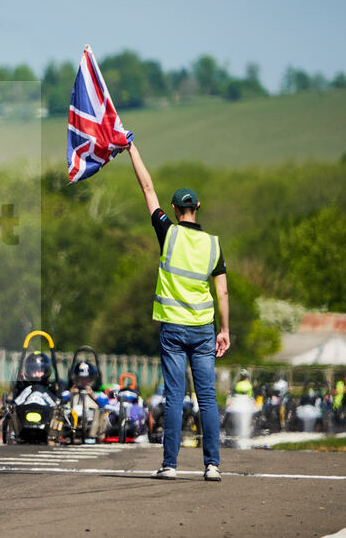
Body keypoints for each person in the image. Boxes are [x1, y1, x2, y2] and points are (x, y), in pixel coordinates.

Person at [127, 143, 229, 482]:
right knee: (207, 399)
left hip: (172, 329)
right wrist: (224, 329)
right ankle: (211, 465)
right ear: (198, 207)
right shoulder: (213, 244)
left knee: (174, 398)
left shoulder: (167, 233)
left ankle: (169, 464)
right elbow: (222, 290)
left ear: (174, 208)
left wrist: (131, 148)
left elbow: (147, 187)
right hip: (203, 330)